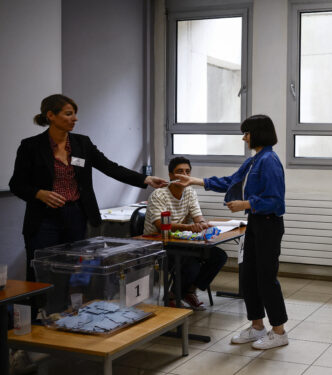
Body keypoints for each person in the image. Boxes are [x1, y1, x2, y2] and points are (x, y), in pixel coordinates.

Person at [9, 94, 167, 282]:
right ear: (50, 115)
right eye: (69, 114)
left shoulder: (82, 143)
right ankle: (36, 311)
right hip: (44, 220)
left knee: (70, 270)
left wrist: (146, 179)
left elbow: (110, 167)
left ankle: (64, 310)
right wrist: (39, 193)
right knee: (41, 271)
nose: (75, 119)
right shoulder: (31, 146)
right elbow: (16, 184)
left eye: (75, 114)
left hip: (75, 215)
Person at [174, 114, 288, 350]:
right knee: (248, 276)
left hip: (268, 224)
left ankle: (279, 331)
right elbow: (230, 182)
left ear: (258, 133)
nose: (244, 138)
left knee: (267, 279)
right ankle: (257, 326)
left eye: (246, 133)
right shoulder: (254, 160)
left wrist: (246, 204)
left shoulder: (270, 160)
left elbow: (276, 201)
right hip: (255, 224)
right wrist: (194, 180)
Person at [143, 156, 228, 311]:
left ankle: (188, 291)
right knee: (192, 264)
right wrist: (188, 227)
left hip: (182, 242)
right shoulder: (159, 195)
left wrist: (202, 224)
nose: (184, 175)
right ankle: (173, 296)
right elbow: (161, 225)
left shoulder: (189, 192)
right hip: (159, 244)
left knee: (218, 256)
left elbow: (197, 216)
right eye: (179, 172)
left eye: (187, 172)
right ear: (170, 175)